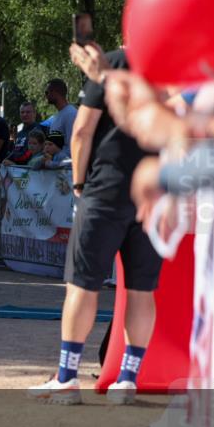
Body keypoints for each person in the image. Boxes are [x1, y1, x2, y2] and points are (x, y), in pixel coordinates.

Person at [28, 47, 162, 405]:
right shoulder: (180, 65)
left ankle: (68, 378)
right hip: (155, 191)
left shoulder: (115, 62)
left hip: (106, 189)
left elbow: (82, 131)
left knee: (82, 286)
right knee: (140, 290)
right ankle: (128, 379)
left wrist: (78, 184)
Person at [44, 79, 78, 160]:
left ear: (55, 92)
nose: (45, 96)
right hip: (57, 168)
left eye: (46, 92)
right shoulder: (57, 116)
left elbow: (73, 148)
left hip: (68, 170)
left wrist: (53, 159)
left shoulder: (70, 114)